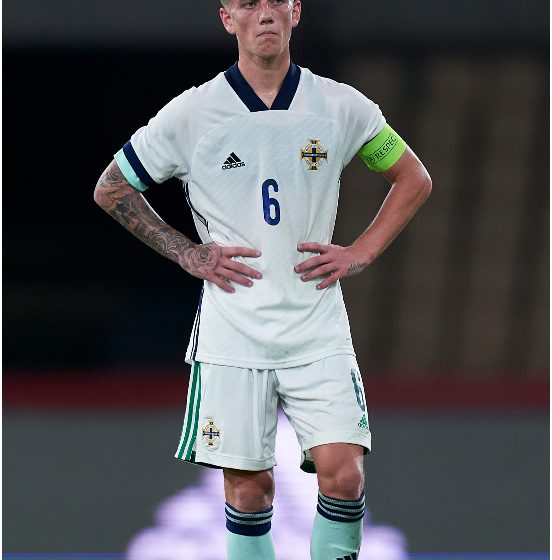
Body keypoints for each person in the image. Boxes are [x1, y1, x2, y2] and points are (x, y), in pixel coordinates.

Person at [94, 1, 432, 559]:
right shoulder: (192, 113)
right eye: (248, 4)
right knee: (249, 491)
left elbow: (412, 177)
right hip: (234, 329)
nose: (264, 14)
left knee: (344, 475)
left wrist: (363, 250)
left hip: (315, 323)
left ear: (295, 12)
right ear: (227, 18)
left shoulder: (341, 106)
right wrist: (185, 253)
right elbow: (112, 188)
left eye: (277, 1)